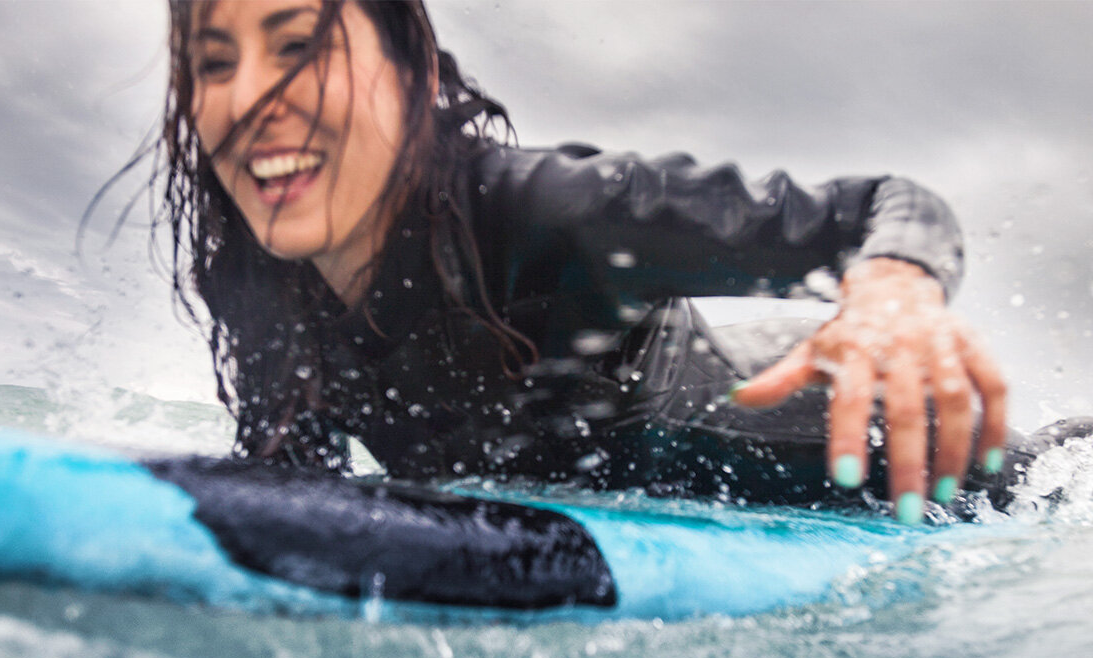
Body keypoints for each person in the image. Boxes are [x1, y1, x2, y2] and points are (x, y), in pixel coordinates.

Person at [147, 0, 1084, 525]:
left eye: (299, 44)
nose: (251, 97)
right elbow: (302, 497)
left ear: (415, 72)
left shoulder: (555, 213)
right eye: (213, 62)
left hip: (900, 451)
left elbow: (886, 205)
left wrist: (893, 288)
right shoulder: (255, 276)